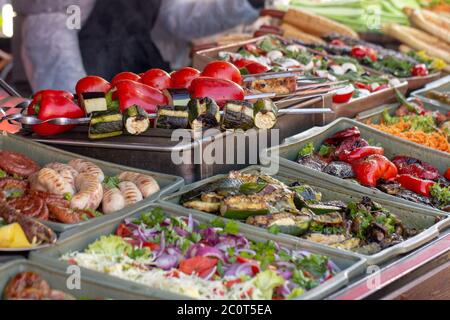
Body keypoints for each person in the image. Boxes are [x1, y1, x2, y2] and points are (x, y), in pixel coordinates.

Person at [13, 0, 266, 92]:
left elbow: (179, 18)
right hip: (85, 89)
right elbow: (49, 35)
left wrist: (242, 3)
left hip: (145, 88)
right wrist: (79, 111)